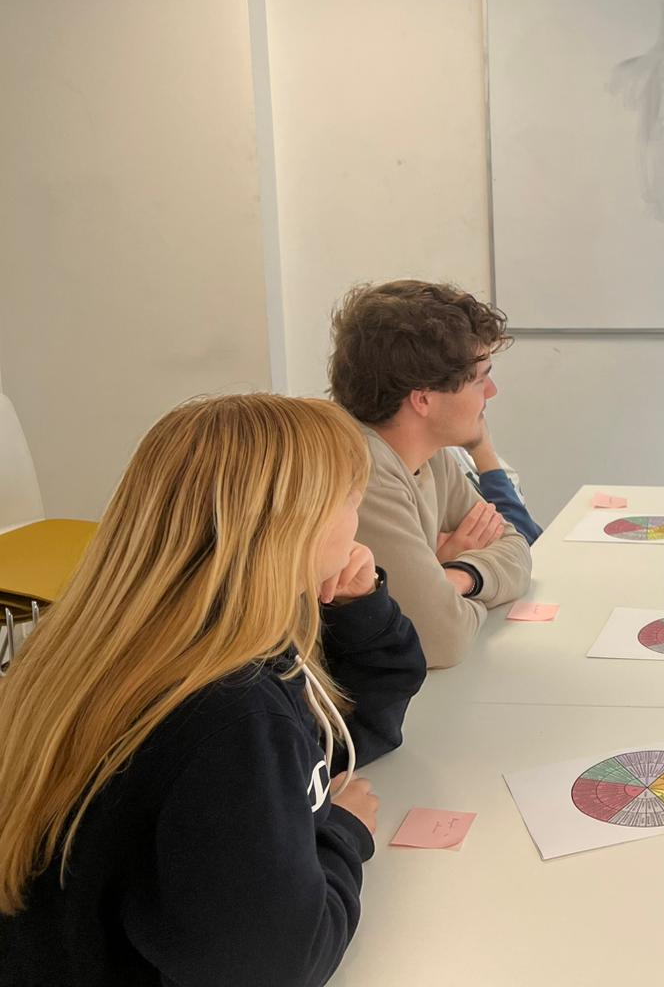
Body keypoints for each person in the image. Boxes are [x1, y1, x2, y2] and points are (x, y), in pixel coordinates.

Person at [0, 395, 425, 985]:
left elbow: (349, 732)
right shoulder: (230, 712)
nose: (359, 522)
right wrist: (343, 833)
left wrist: (357, 606)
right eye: (351, 500)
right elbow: (277, 966)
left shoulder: (133, 640)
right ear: (291, 528)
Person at [329, 280, 534, 669]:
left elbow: (515, 547)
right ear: (422, 399)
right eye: (479, 378)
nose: (491, 391)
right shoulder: (363, 471)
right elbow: (439, 639)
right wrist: (449, 598)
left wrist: (456, 576)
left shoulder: (430, 451)